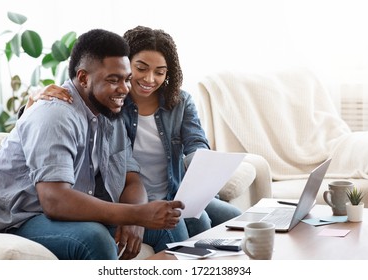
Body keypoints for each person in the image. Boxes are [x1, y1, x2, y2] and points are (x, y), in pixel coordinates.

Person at [0, 29, 184, 260]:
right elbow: (54, 201)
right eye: (113, 80)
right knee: (94, 238)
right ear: (84, 78)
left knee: (171, 226)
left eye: (126, 79)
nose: (125, 89)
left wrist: (134, 217)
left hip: (72, 210)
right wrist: (134, 214)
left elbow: (131, 177)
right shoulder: (56, 114)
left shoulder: (109, 112)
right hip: (23, 217)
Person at [25, 26, 241, 239]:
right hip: (131, 198)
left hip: (174, 191)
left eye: (159, 72)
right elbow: (72, 97)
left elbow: (196, 142)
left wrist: (204, 167)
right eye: (142, 68)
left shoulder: (180, 102)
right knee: (198, 220)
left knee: (237, 219)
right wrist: (33, 99)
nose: (150, 79)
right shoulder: (111, 103)